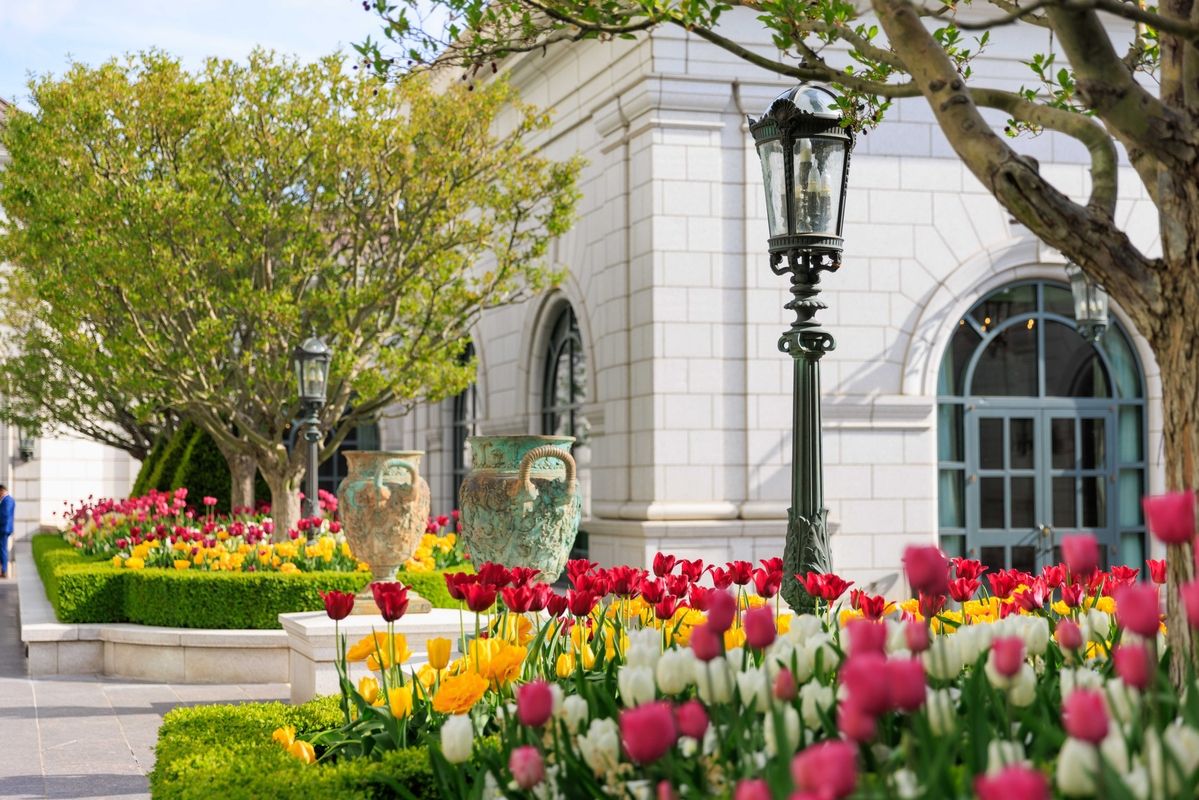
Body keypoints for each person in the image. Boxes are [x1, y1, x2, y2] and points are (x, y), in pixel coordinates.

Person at [0, 485, 13, 578]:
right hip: (5, 528)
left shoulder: (7, 500)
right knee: (2, 549)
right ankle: (3, 570)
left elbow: (4, 515)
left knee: (3, 549)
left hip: (4, 528)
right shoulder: (8, 500)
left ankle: (4, 570)